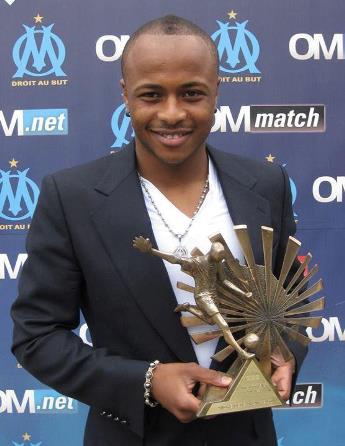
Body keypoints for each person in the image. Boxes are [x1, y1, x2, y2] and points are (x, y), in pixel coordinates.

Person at [11, 15, 304, 446]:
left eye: (191, 93)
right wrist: (146, 381)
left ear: (216, 91)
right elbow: (37, 337)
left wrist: (284, 353)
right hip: (135, 436)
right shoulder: (71, 197)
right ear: (126, 95)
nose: (172, 113)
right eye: (152, 95)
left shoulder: (265, 185)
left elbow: (289, 303)